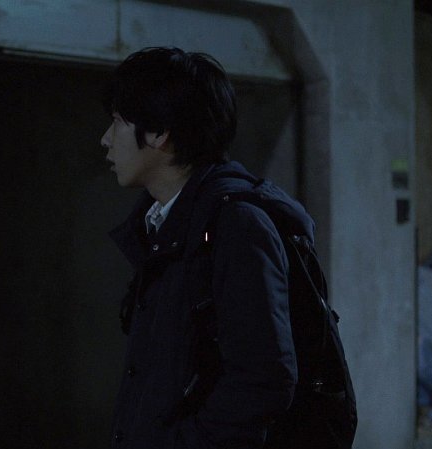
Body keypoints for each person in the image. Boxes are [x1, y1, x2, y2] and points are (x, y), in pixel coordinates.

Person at [101, 47, 309, 448]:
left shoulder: (235, 225)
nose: (106, 140)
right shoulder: (164, 223)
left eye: (118, 122)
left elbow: (264, 380)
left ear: (159, 132)